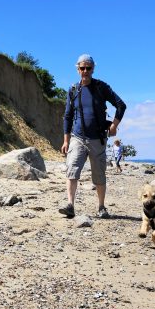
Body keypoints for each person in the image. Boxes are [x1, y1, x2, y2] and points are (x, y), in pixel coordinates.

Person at [59, 54, 126, 218]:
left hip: (98, 139)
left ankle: (101, 207)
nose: (85, 71)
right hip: (77, 138)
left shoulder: (101, 87)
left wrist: (114, 125)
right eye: (82, 68)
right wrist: (66, 140)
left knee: (99, 175)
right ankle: (70, 206)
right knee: (72, 170)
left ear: (93, 69)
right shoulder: (73, 90)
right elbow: (67, 116)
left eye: (88, 68)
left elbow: (121, 105)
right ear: (77, 69)